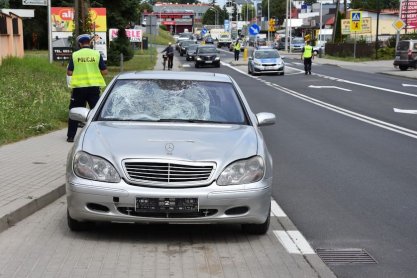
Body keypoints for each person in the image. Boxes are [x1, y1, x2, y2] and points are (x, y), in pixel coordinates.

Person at [66, 34, 107, 142]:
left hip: (79, 88)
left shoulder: (75, 55)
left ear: (80, 44)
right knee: (96, 112)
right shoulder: (96, 54)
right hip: (93, 88)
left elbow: (69, 72)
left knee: (75, 111)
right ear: (90, 43)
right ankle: (99, 136)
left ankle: (71, 136)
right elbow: (104, 72)